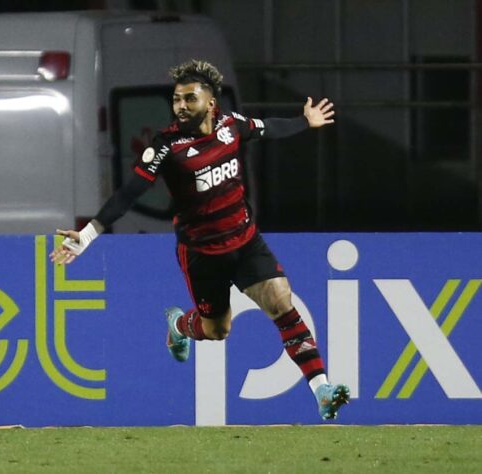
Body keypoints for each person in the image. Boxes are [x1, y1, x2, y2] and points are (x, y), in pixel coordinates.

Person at [50, 59, 349, 420]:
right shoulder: (166, 145)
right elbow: (130, 192)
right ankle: (178, 326)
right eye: (176, 99)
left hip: (245, 240)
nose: (180, 106)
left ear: (210, 103)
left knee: (281, 301)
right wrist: (88, 234)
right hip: (202, 254)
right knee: (217, 330)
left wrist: (304, 121)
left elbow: (267, 128)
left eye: (189, 98)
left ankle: (322, 390)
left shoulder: (231, 126)